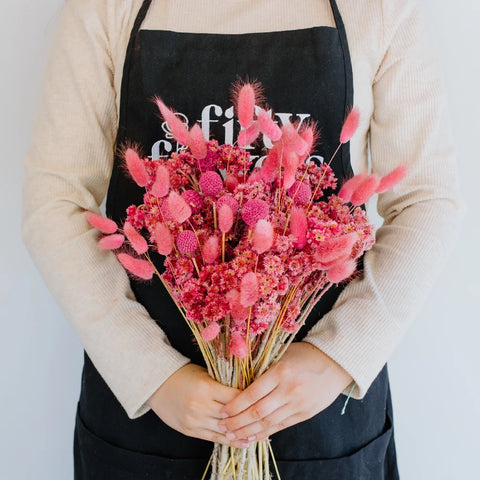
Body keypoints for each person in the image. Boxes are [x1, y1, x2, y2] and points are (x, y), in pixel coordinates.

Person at [22, 0, 461, 478]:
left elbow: (426, 199)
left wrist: (337, 357)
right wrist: (152, 373)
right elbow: (56, 203)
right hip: (149, 418)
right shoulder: (104, 8)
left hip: (317, 418)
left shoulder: (378, 8)